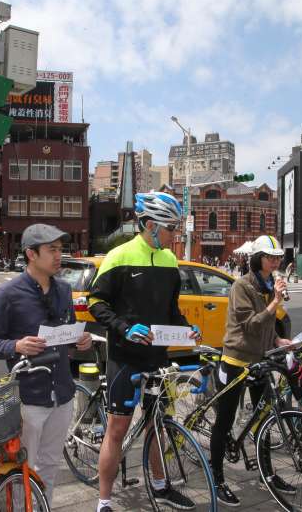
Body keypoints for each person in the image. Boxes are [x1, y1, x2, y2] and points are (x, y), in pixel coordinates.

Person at [88, 192, 200, 512]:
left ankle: (161, 485)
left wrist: (186, 327)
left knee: (157, 426)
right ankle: (104, 500)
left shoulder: (169, 260)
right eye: (170, 228)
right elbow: (96, 303)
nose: (174, 234)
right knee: (117, 429)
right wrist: (124, 327)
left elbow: (171, 310)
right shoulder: (119, 256)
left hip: (157, 359)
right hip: (124, 358)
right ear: (150, 225)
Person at [0, 224, 92, 504]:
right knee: (23, 467)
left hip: (63, 393)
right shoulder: (7, 295)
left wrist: (80, 341)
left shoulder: (64, 290)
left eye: (60, 249)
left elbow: (66, 333)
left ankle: (44, 506)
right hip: (29, 396)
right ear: (31, 253)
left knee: (51, 464)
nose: (59, 256)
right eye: (51, 250)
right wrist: (16, 346)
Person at [208, 235, 292, 507]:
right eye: (271, 257)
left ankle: (267, 473)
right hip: (235, 361)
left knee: (265, 417)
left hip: (260, 360)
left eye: (278, 257)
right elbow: (252, 325)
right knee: (225, 420)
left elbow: (266, 329)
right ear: (258, 259)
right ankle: (217, 478)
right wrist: (275, 302)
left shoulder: (269, 286)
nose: (276, 262)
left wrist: (277, 341)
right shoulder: (242, 286)